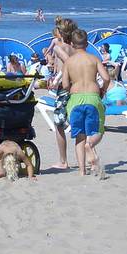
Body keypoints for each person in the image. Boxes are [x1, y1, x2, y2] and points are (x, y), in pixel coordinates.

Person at [62, 28, 110, 178]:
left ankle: (82, 171)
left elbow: (64, 85)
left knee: (79, 136)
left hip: (75, 98)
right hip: (93, 96)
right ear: (87, 43)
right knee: (98, 130)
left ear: (71, 44)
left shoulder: (69, 61)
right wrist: (103, 89)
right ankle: (91, 145)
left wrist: (72, 89)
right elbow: (107, 78)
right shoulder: (94, 59)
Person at [48, 19, 77, 170]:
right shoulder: (74, 48)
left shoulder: (60, 47)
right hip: (76, 87)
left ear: (60, 33)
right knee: (77, 122)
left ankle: (63, 161)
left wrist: (56, 80)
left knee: (58, 124)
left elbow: (67, 63)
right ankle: (87, 157)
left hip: (64, 88)